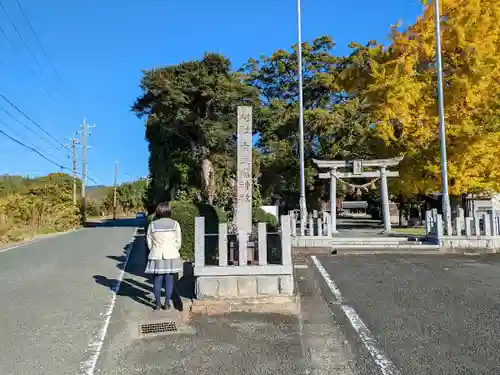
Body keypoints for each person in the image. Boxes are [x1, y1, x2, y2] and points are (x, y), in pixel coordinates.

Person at [145, 202, 183, 310]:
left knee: (157, 279)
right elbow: (178, 241)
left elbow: (149, 241)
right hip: (171, 254)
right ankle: (166, 304)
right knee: (169, 279)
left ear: (158, 211)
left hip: (157, 254)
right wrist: (173, 249)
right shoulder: (175, 224)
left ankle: (157, 304)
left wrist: (154, 249)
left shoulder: (152, 225)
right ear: (169, 211)